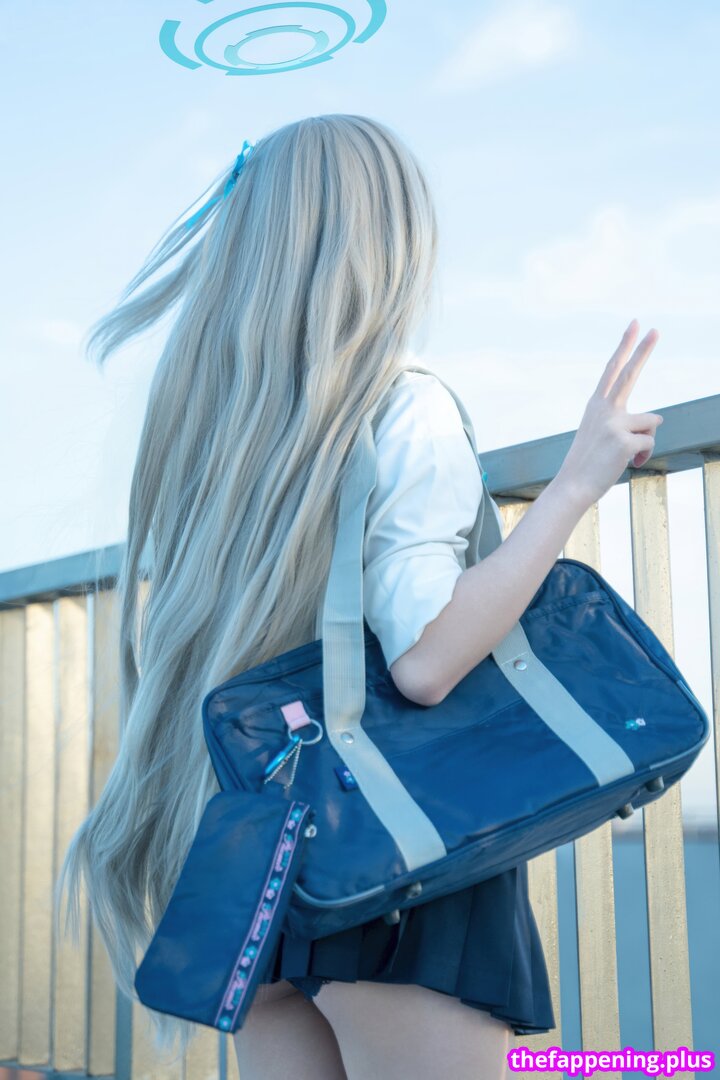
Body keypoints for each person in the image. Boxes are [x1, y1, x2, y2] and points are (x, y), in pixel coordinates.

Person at [54, 113, 662, 1080]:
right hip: (394, 873)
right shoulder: (403, 405)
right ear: (387, 243)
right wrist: (575, 484)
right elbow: (425, 659)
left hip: (267, 876)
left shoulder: (220, 438)